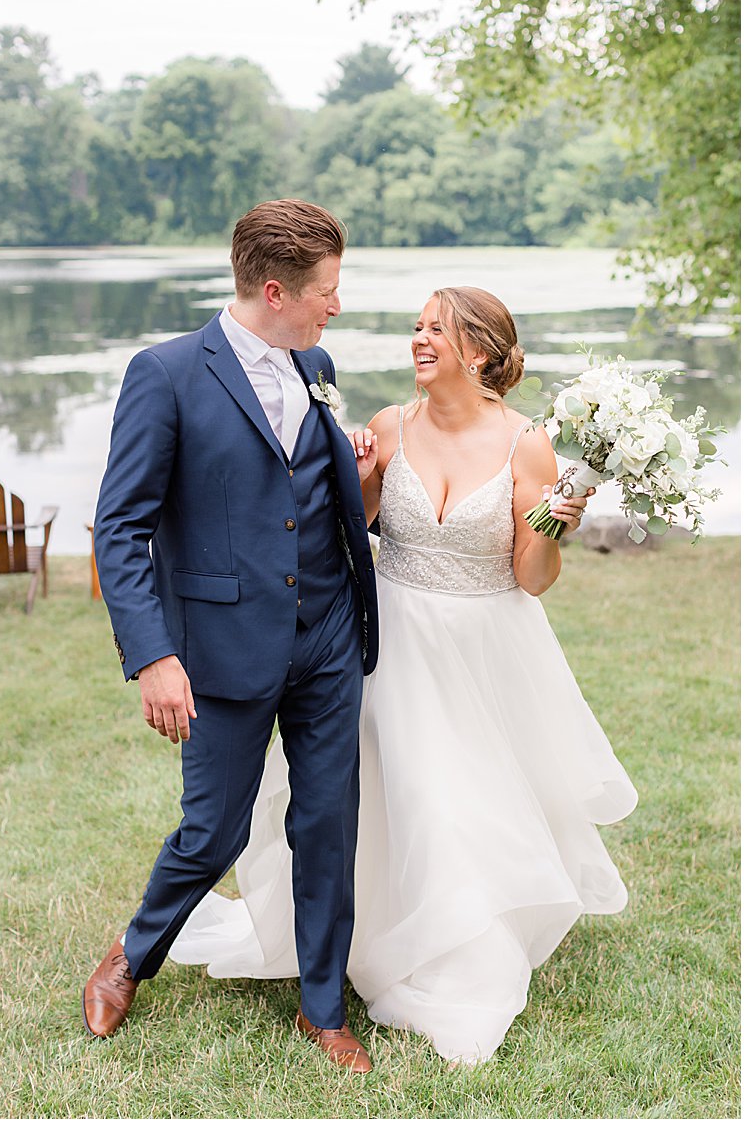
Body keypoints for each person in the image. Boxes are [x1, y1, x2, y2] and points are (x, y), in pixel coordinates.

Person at [170, 286, 637, 1066]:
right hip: (390, 641)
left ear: (478, 352)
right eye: (417, 327)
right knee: (396, 795)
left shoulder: (527, 444)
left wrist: (556, 523)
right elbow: (346, 531)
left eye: (436, 330)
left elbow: (532, 577)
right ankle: (366, 938)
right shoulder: (389, 426)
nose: (419, 339)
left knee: (463, 802)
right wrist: (355, 475)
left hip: (484, 647)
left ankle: (458, 954)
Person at [87, 199, 380, 1072]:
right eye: (327, 291)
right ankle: (134, 953)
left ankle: (322, 1007)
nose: (337, 306)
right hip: (220, 644)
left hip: (327, 631)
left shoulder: (316, 363)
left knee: (327, 822)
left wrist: (349, 462)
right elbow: (120, 528)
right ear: (275, 291)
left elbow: (300, 483)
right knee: (213, 830)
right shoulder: (167, 373)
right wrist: (153, 655)